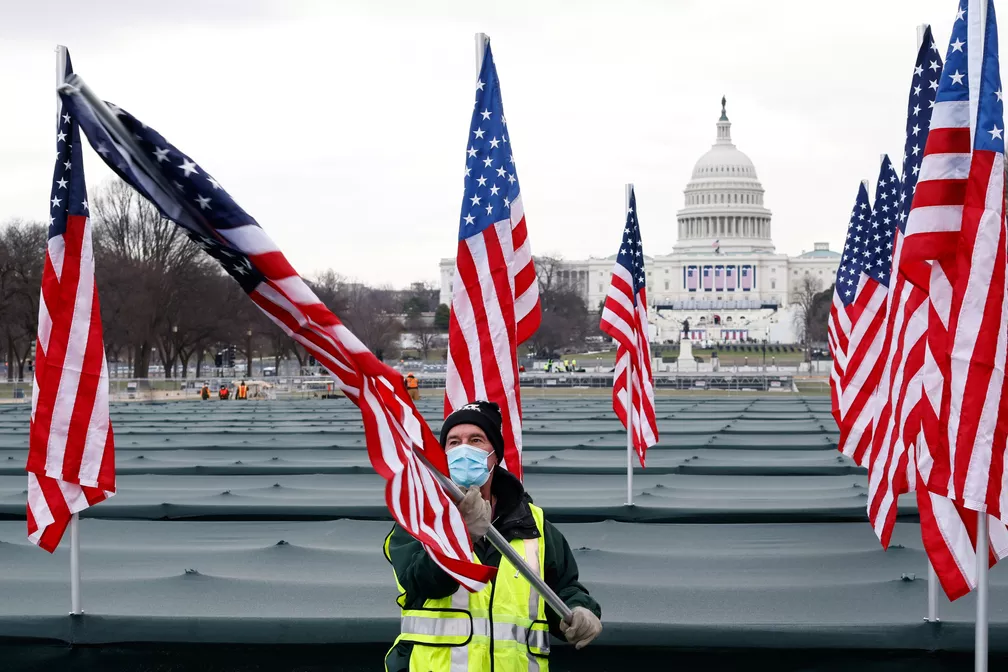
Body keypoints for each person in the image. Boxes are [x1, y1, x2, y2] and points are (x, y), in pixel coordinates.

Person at [383, 400, 602, 671]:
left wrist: (581, 610)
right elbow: (422, 583)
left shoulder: (533, 523)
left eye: (476, 440)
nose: (463, 449)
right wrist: (463, 536)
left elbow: (564, 587)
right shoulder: (420, 519)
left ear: (494, 454)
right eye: (453, 442)